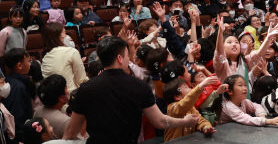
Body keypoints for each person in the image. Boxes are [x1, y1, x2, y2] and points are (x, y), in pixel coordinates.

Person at [63, 36, 200, 143]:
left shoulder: (86, 88)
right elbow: (160, 121)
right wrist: (185, 121)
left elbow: (70, 131)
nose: (130, 59)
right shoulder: (138, 86)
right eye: (128, 55)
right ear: (119, 58)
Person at [162, 75, 217, 141]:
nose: (191, 88)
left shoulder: (191, 107)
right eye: (186, 87)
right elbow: (184, 104)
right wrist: (200, 86)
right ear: (177, 96)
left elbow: (200, 120)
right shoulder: (172, 108)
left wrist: (206, 127)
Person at [40, 23, 87, 93]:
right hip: (70, 99)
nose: (67, 36)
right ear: (59, 36)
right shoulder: (72, 52)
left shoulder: (45, 58)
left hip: (53, 101)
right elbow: (82, 81)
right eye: (65, 33)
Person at [0, 48, 33, 142]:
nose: (30, 64)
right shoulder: (18, 87)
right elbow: (17, 116)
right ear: (19, 65)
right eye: (29, 61)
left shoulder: (9, 81)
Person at [34, 75, 70, 140]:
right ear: (61, 98)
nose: (68, 91)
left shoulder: (37, 111)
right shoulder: (65, 121)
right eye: (66, 87)